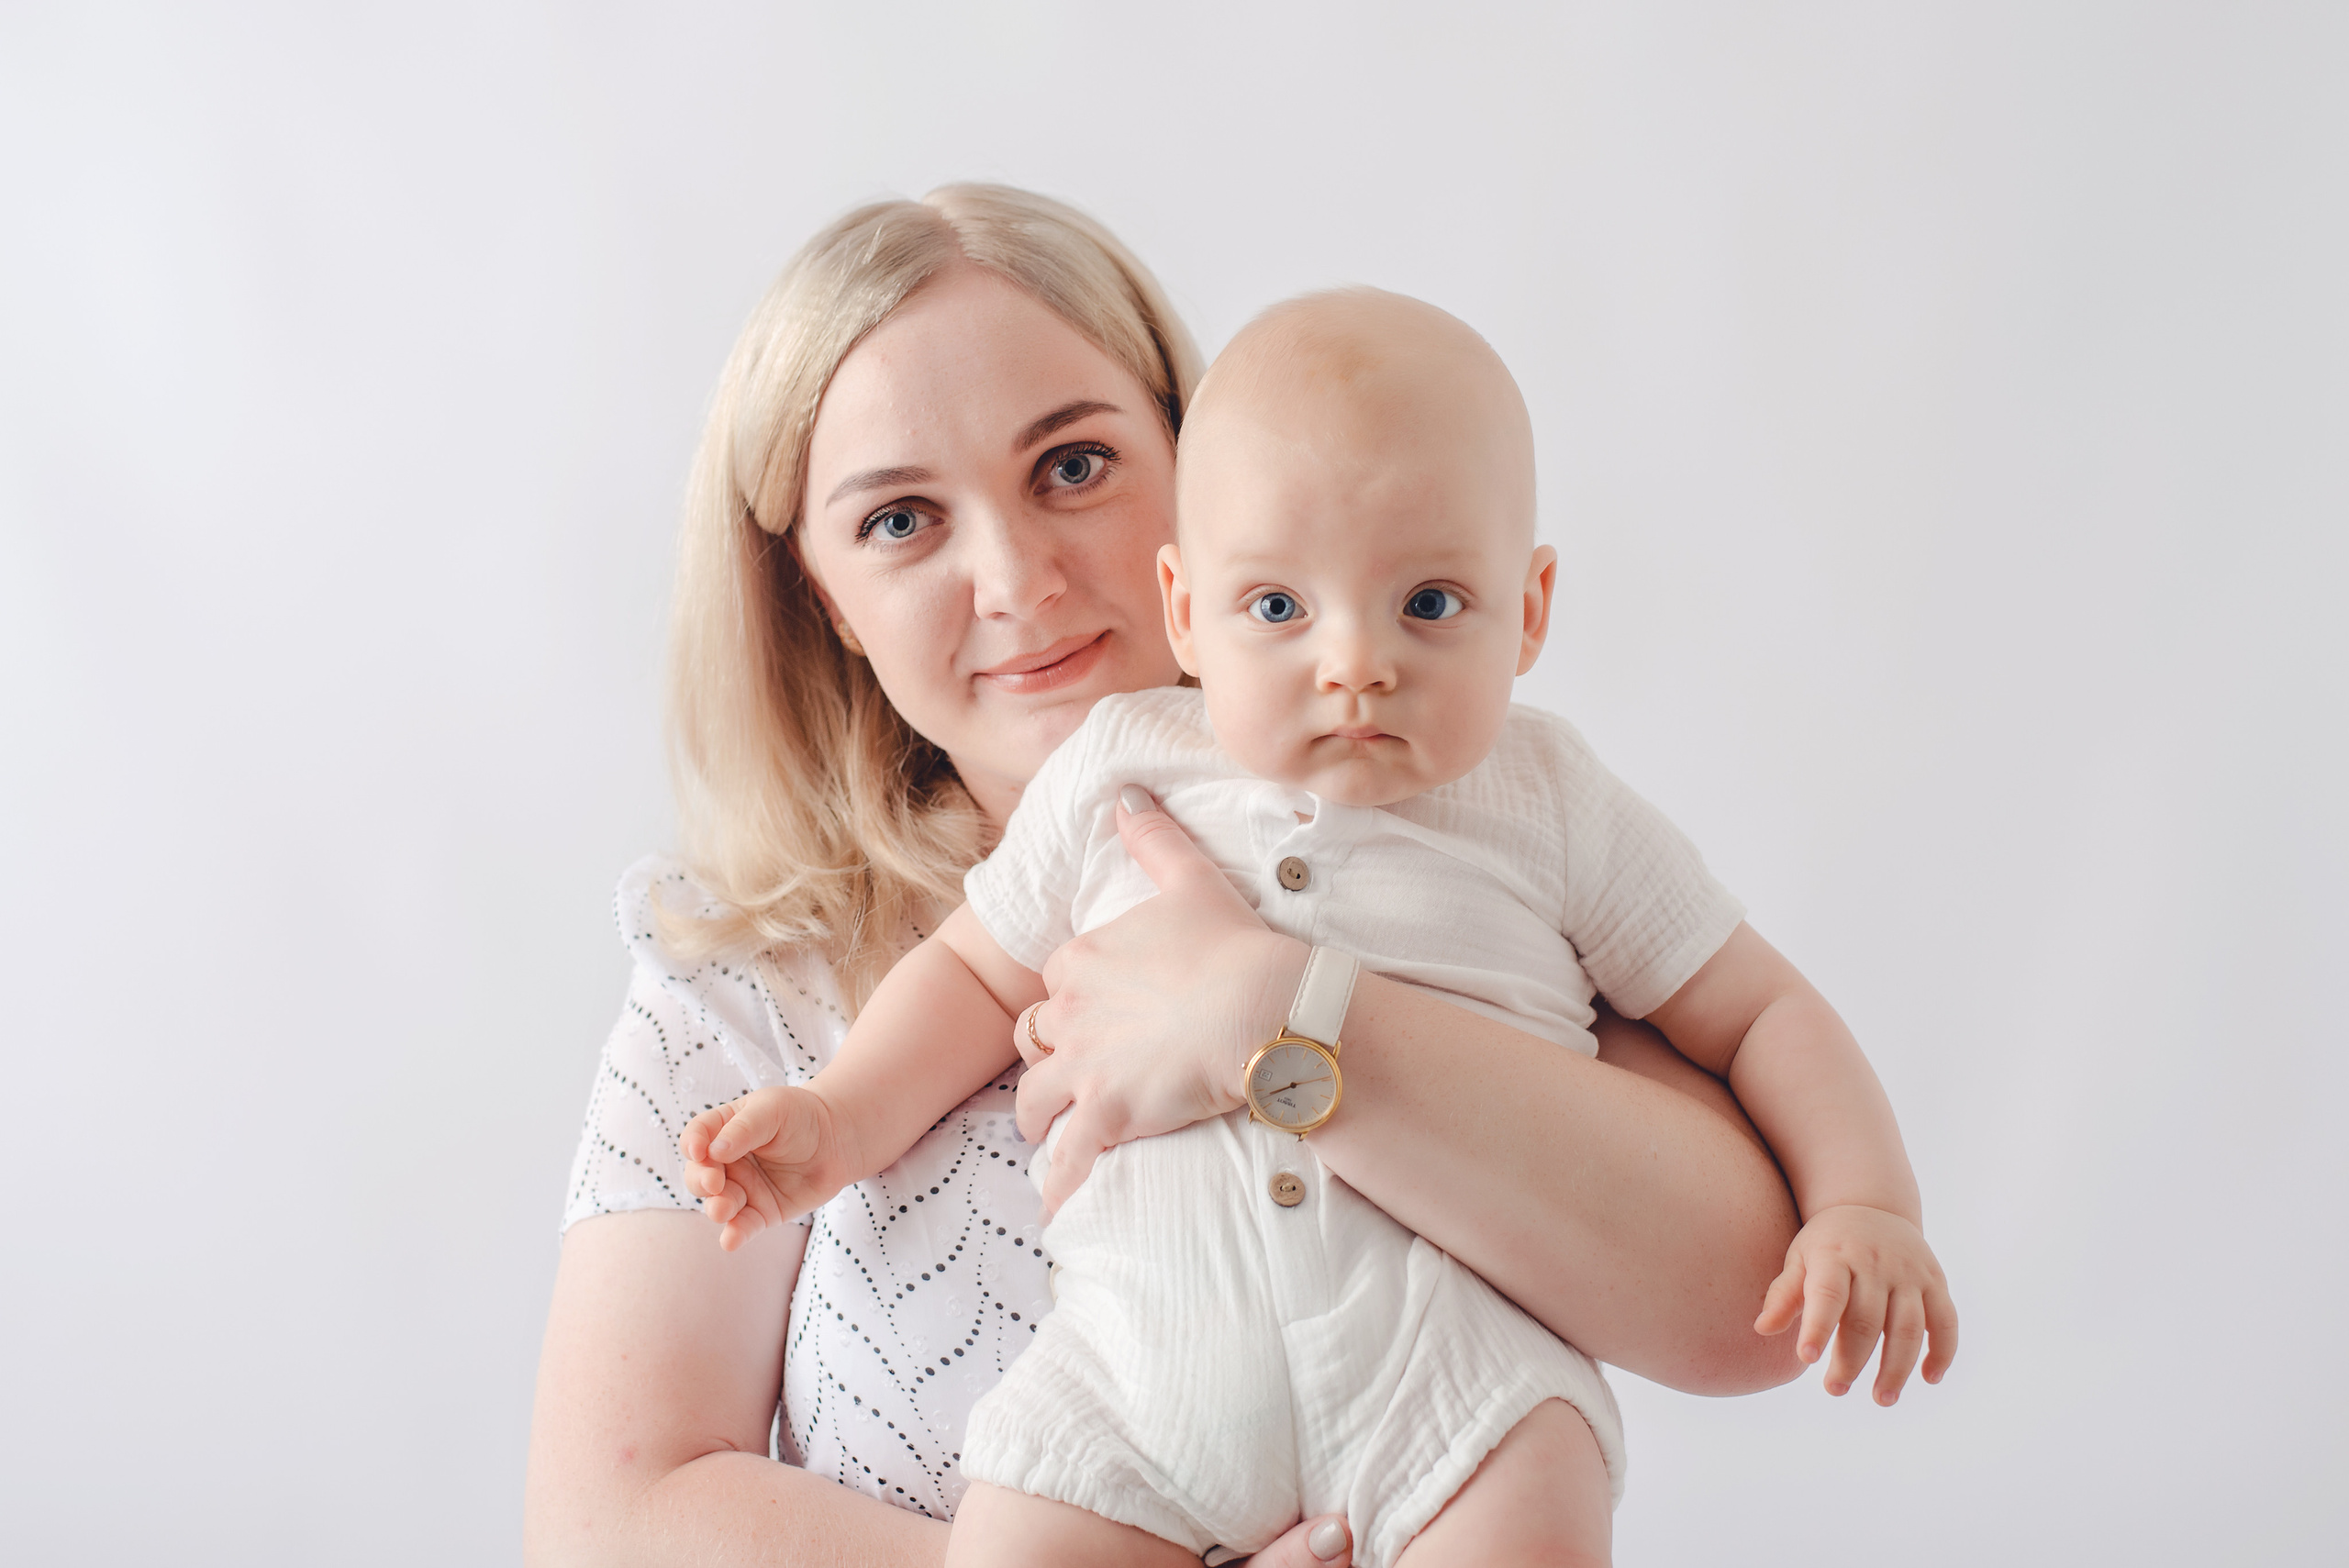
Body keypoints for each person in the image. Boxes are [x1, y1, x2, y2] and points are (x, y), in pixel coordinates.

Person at [525, 185, 1809, 1568]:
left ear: (1198, 470)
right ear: (824, 595)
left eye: (1073, 465)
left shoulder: (1443, 839)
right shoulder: (734, 991)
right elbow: (606, 1527)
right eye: (900, 520)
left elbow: (1758, 1306)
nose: (1017, 577)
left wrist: (1278, 1015)